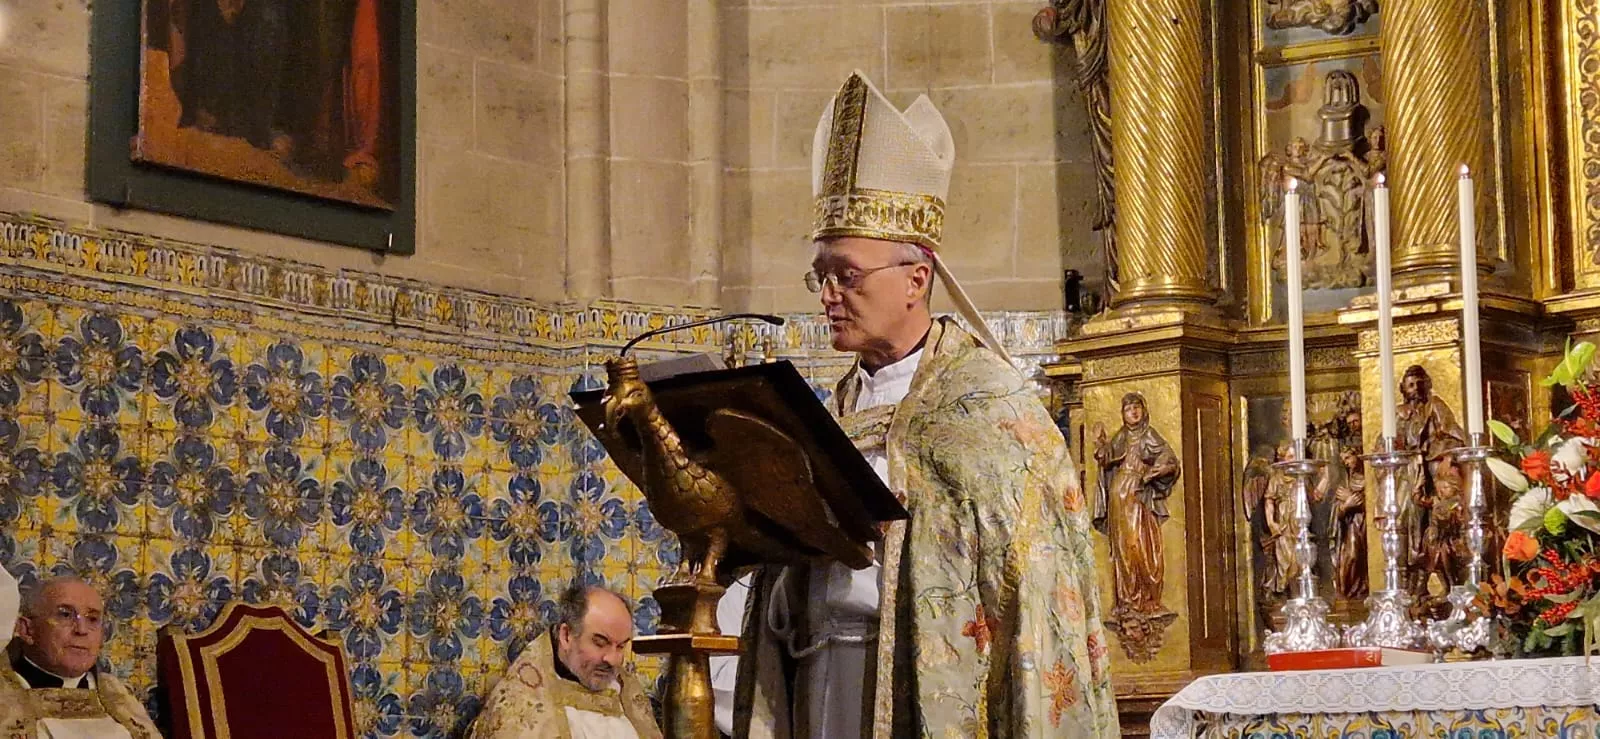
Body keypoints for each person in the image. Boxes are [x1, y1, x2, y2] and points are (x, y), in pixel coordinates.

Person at [734, 70, 1118, 738]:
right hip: (820, 677)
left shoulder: (994, 411)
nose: (828, 293)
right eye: (820, 274)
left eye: (846, 274)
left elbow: (1033, 595)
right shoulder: (829, 412)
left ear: (917, 278)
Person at [468, 583, 661, 739]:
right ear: (566, 636)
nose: (612, 659)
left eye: (620, 646)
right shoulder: (519, 705)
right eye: (600, 642)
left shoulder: (627, 692)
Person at [0, 575, 160, 739]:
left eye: (92, 619)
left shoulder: (117, 696)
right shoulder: (5, 698)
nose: (82, 630)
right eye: (65, 615)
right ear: (27, 629)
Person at [1092, 392, 1179, 628]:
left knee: (1143, 546)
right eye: (1129, 409)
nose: (1134, 412)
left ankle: (1149, 600)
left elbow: (1169, 460)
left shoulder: (1149, 435)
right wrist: (1100, 444)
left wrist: (1153, 472)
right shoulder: (1121, 436)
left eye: (1137, 407)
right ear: (1122, 414)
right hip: (1119, 496)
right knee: (1124, 549)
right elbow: (1105, 456)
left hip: (1140, 496)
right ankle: (1127, 601)